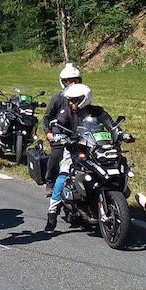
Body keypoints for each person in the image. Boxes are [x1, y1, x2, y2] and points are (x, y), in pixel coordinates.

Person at [45, 83, 122, 231]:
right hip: (74, 149)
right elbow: (58, 125)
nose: (71, 103)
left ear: (84, 99)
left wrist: (120, 133)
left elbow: (111, 125)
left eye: (74, 100)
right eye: (70, 100)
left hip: (96, 148)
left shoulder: (97, 111)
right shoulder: (66, 112)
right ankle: (52, 212)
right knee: (64, 175)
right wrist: (58, 136)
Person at [42, 64, 83, 220]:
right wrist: (49, 132)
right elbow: (47, 117)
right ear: (63, 82)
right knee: (57, 155)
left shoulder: (83, 97)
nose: (72, 83)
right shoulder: (58, 98)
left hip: (81, 136)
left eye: (75, 80)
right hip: (61, 135)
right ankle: (50, 181)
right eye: (68, 81)